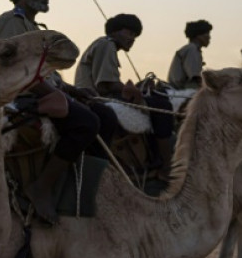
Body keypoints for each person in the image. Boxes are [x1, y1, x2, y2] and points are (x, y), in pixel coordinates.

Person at [0, 0, 114, 224]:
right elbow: (19, 73)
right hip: (16, 97)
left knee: (105, 115)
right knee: (86, 122)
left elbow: (44, 74)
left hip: (38, 91)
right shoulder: (11, 24)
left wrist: (72, 90)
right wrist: (60, 95)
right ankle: (41, 187)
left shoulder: (32, 28)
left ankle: (85, 188)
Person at [74, 13, 176, 170]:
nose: (132, 38)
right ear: (114, 32)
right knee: (162, 106)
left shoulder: (104, 45)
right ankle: (165, 165)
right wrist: (136, 91)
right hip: (98, 99)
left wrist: (137, 88)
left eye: (135, 36)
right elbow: (105, 86)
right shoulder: (107, 45)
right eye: (129, 33)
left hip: (99, 97)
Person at [167, 19, 212, 89]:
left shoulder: (190, 49)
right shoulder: (192, 50)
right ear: (198, 35)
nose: (209, 37)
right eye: (207, 34)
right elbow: (195, 77)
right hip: (182, 91)